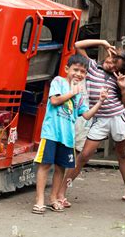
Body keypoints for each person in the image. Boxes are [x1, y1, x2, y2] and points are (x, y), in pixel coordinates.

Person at [56, 39, 125, 208]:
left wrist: (123, 88)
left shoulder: (120, 78)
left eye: (115, 65)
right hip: (100, 119)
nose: (111, 65)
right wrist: (103, 42)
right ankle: (61, 192)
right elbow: (77, 46)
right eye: (111, 60)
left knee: (122, 155)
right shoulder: (91, 67)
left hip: (118, 117)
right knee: (84, 156)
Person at [32, 54, 107, 214]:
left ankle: (53, 198)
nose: (79, 74)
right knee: (45, 165)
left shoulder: (80, 94)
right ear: (67, 69)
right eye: (76, 70)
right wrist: (73, 92)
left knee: (61, 168)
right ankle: (39, 200)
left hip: (67, 137)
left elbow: (86, 115)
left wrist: (100, 101)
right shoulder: (58, 82)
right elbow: (54, 101)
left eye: (83, 72)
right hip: (51, 133)